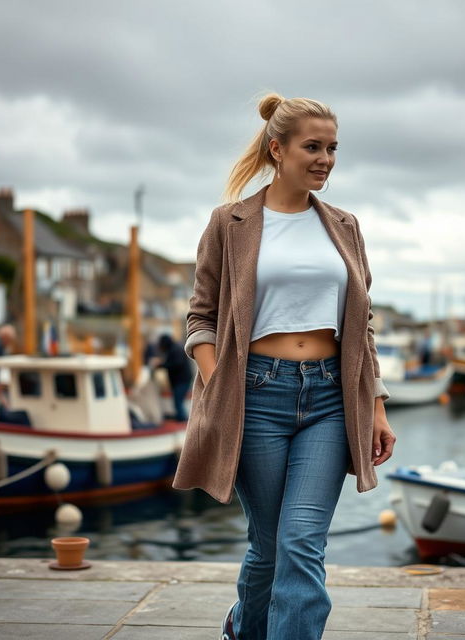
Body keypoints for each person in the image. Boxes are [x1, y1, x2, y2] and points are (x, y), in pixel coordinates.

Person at [172, 94, 396, 640]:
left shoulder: (345, 226)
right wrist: (217, 380)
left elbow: (360, 328)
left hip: (329, 399)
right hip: (254, 396)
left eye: (332, 148)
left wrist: (377, 404)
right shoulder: (231, 223)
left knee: (300, 540)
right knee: (269, 545)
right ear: (278, 149)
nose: (325, 158)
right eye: (312, 147)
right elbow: (200, 317)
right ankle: (245, 628)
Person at [152, 333, 193, 422]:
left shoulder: (175, 349)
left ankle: (182, 421)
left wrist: (160, 365)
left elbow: (176, 364)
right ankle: (181, 419)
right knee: (178, 401)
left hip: (182, 380)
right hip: (181, 380)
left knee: (178, 402)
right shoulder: (174, 348)